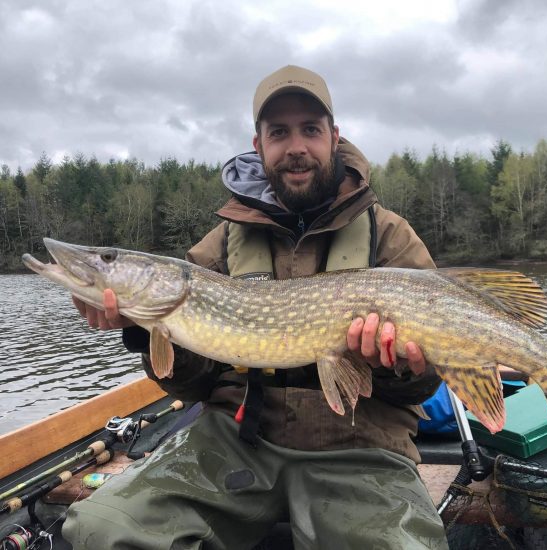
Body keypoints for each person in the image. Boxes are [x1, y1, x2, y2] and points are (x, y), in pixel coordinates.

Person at [62, 65, 449, 549]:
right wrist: (143, 331)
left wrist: (390, 365)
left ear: (334, 136)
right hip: (236, 441)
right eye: (279, 133)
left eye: (310, 129)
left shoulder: (390, 235)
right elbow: (194, 383)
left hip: (362, 448)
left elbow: (426, 381)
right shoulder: (219, 245)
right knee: (101, 529)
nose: (296, 147)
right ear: (258, 144)